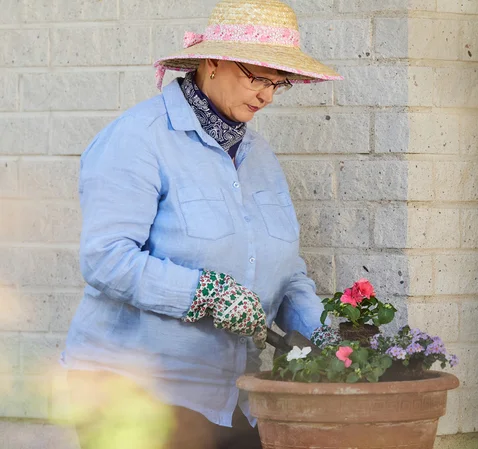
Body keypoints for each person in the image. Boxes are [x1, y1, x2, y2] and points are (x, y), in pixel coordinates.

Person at [61, 0, 343, 448]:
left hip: (233, 396)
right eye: (257, 77)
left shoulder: (260, 158)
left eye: (278, 83)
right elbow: (105, 259)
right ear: (212, 61)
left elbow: (287, 272)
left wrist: (336, 345)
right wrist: (203, 293)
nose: (267, 95)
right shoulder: (138, 138)